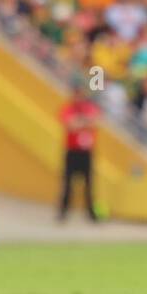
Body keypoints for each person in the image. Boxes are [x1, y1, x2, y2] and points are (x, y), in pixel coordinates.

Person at [58, 82, 100, 222]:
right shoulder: (68, 109)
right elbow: (70, 126)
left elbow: (93, 123)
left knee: (89, 184)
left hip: (86, 152)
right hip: (72, 151)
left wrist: (80, 122)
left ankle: (91, 213)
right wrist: (83, 122)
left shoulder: (89, 108)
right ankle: (63, 211)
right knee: (67, 183)